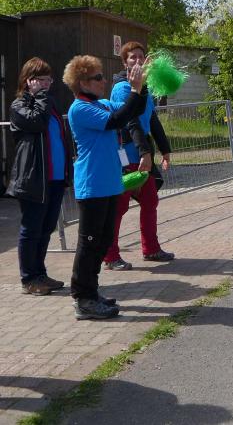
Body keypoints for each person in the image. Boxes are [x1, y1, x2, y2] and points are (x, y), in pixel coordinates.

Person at [64, 54, 147, 320]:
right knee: (89, 244)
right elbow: (117, 121)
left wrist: (142, 86)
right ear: (82, 82)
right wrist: (134, 89)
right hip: (93, 184)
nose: (103, 81)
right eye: (98, 78)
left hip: (110, 184)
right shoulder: (80, 108)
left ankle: (92, 291)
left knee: (102, 243)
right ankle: (83, 298)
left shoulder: (100, 103)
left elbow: (132, 110)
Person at [103, 42, 174, 270]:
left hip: (143, 155)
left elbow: (152, 120)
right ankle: (110, 256)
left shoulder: (144, 88)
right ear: (125, 62)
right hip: (126, 154)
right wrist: (144, 152)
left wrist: (165, 150)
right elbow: (130, 121)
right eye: (132, 57)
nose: (137, 60)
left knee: (150, 201)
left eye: (140, 57)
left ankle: (151, 249)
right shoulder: (122, 88)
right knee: (119, 206)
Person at [7, 58, 70, 296]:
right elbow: (36, 123)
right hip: (34, 179)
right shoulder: (18, 105)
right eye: (41, 80)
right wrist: (39, 96)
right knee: (31, 229)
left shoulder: (48, 104)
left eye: (49, 80)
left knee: (46, 228)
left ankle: (40, 273)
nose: (46, 84)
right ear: (28, 81)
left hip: (55, 178)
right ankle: (28, 279)